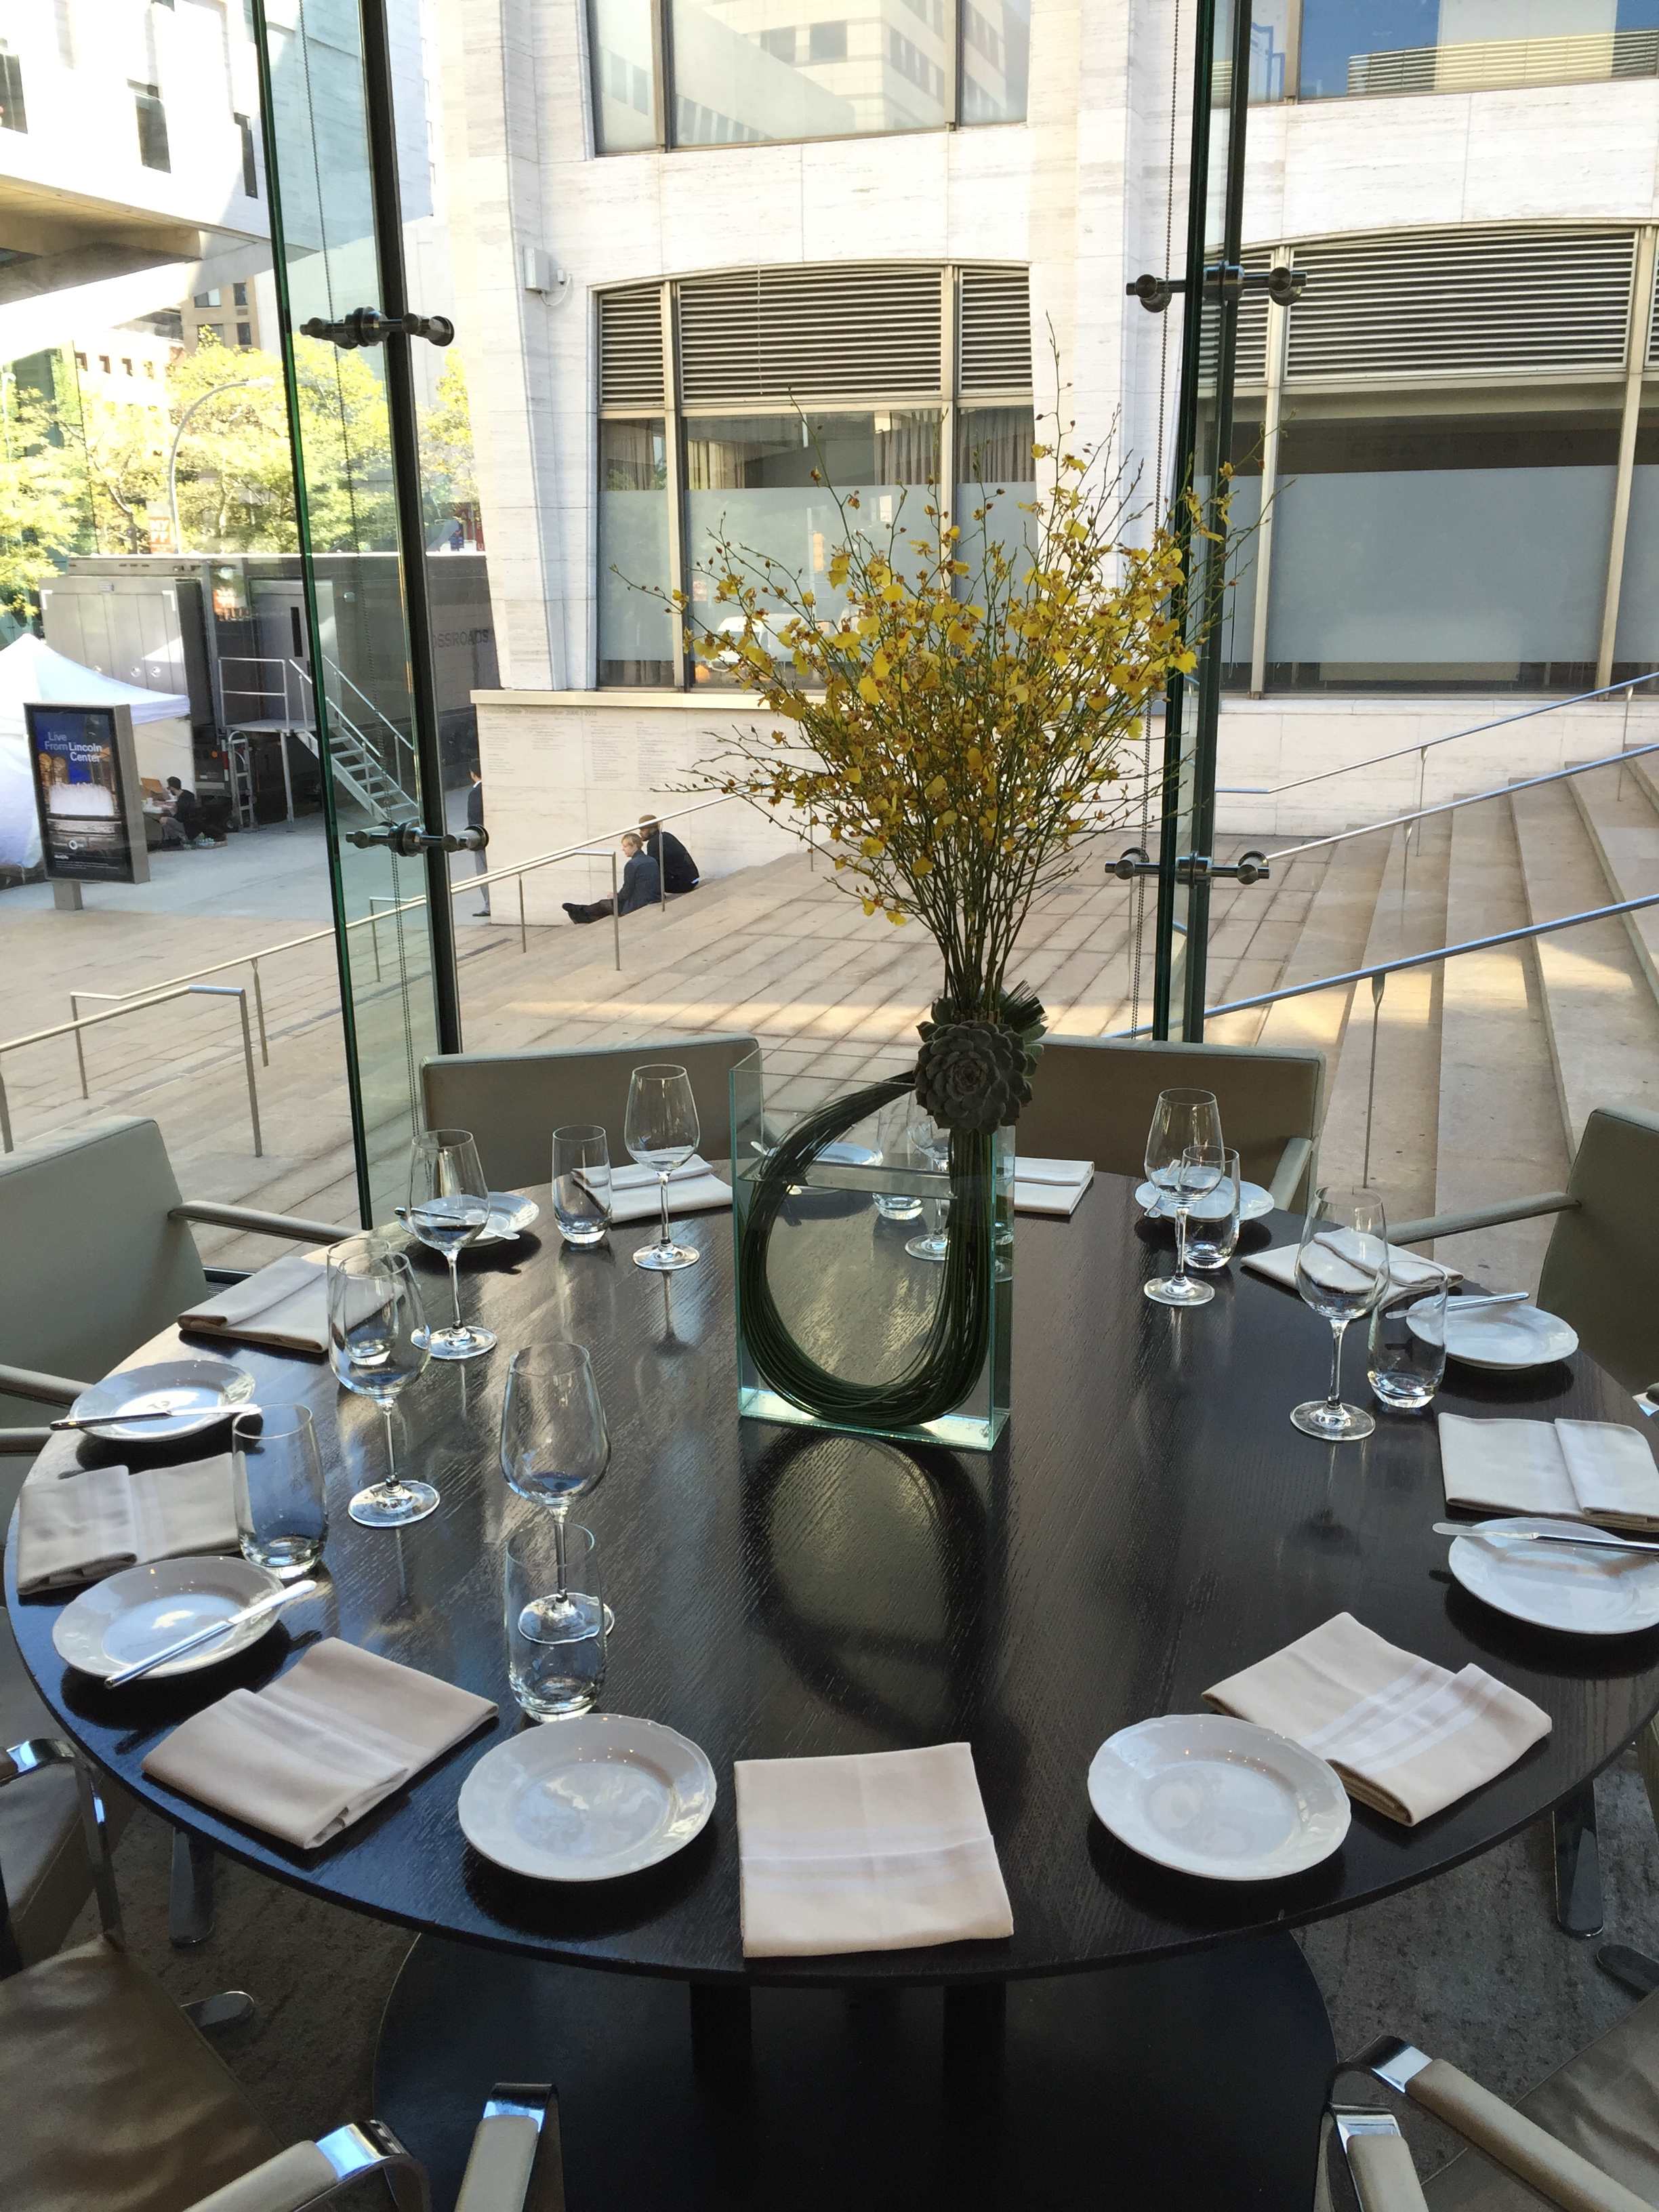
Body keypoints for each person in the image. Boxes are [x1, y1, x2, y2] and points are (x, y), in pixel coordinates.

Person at [562, 832, 661, 924]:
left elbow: (627, 890)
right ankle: (579, 912)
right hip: (653, 897)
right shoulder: (651, 860)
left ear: (634, 845)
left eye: (625, 846)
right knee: (605, 906)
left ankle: (578, 911)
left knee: (604, 904)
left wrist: (616, 896)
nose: (623, 849)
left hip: (639, 902)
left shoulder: (632, 864)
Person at [639, 813, 699, 896]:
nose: (640, 833)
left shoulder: (654, 842)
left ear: (652, 829)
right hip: (693, 879)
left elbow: (652, 868)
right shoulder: (666, 835)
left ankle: (654, 899)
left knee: (643, 875)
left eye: (642, 829)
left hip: (684, 884)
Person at [466, 764, 489, 916]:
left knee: (483, 872)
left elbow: (474, 818)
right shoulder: (488, 789)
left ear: (473, 774)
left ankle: (489, 906)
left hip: (482, 839)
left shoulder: (475, 793)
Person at [164, 776, 204, 846]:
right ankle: (178, 838)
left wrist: (171, 811)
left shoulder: (182, 801)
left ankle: (175, 839)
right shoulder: (187, 794)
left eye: (169, 788)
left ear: (172, 788)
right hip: (196, 825)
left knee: (163, 820)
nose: (169, 790)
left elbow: (179, 818)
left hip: (187, 826)